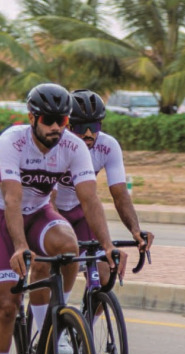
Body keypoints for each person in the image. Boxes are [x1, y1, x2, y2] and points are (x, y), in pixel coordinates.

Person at [0, 83, 118, 354]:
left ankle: (55, 328)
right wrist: (19, 245)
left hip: (39, 211)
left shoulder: (72, 146)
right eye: (49, 120)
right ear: (33, 118)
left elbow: (90, 201)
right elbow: (11, 199)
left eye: (63, 120)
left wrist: (107, 244)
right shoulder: (11, 142)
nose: (57, 127)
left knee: (69, 246)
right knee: (6, 307)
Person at [58, 89, 154, 291]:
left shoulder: (108, 146)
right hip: (53, 212)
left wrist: (135, 230)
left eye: (94, 126)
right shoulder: (58, 144)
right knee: (59, 273)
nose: (88, 134)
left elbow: (120, 194)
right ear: (67, 125)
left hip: (81, 213)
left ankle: (86, 322)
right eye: (81, 127)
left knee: (104, 277)